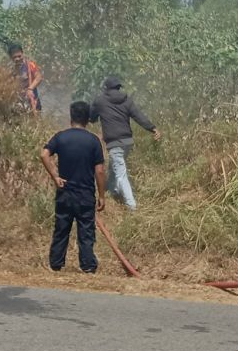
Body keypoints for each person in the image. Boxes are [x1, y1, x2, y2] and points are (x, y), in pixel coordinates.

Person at [40, 101, 106, 273]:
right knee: (86, 231)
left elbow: (44, 154)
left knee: (61, 228)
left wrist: (55, 176)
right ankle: (88, 266)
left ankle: (56, 263)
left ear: (71, 117)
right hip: (85, 195)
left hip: (65, 193)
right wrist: (102, 196)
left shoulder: (61, 137)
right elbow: (99, 171)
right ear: (88, 119)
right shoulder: (93, 141)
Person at [89, 76, 160, 211]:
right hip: (127, 142)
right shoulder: (126, 100)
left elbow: (92, 117)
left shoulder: (100, 100)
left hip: (114, 142)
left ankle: (131, 206)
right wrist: (152, 128)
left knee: (120, 173)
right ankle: (113, 191)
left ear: (106, 88)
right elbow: (139, 116)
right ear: (119, 88)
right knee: (114, 167)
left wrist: (90, 117)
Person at [8, 43, 43, 114]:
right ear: (11, 57)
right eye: (14, 57)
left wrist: (30, 88)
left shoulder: (30, 65)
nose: (17, 59)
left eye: (19, 56)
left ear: (22, 54)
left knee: (36, 118)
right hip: (19, 102)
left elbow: (39, 77)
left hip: (32, 99)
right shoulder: (10, 70)